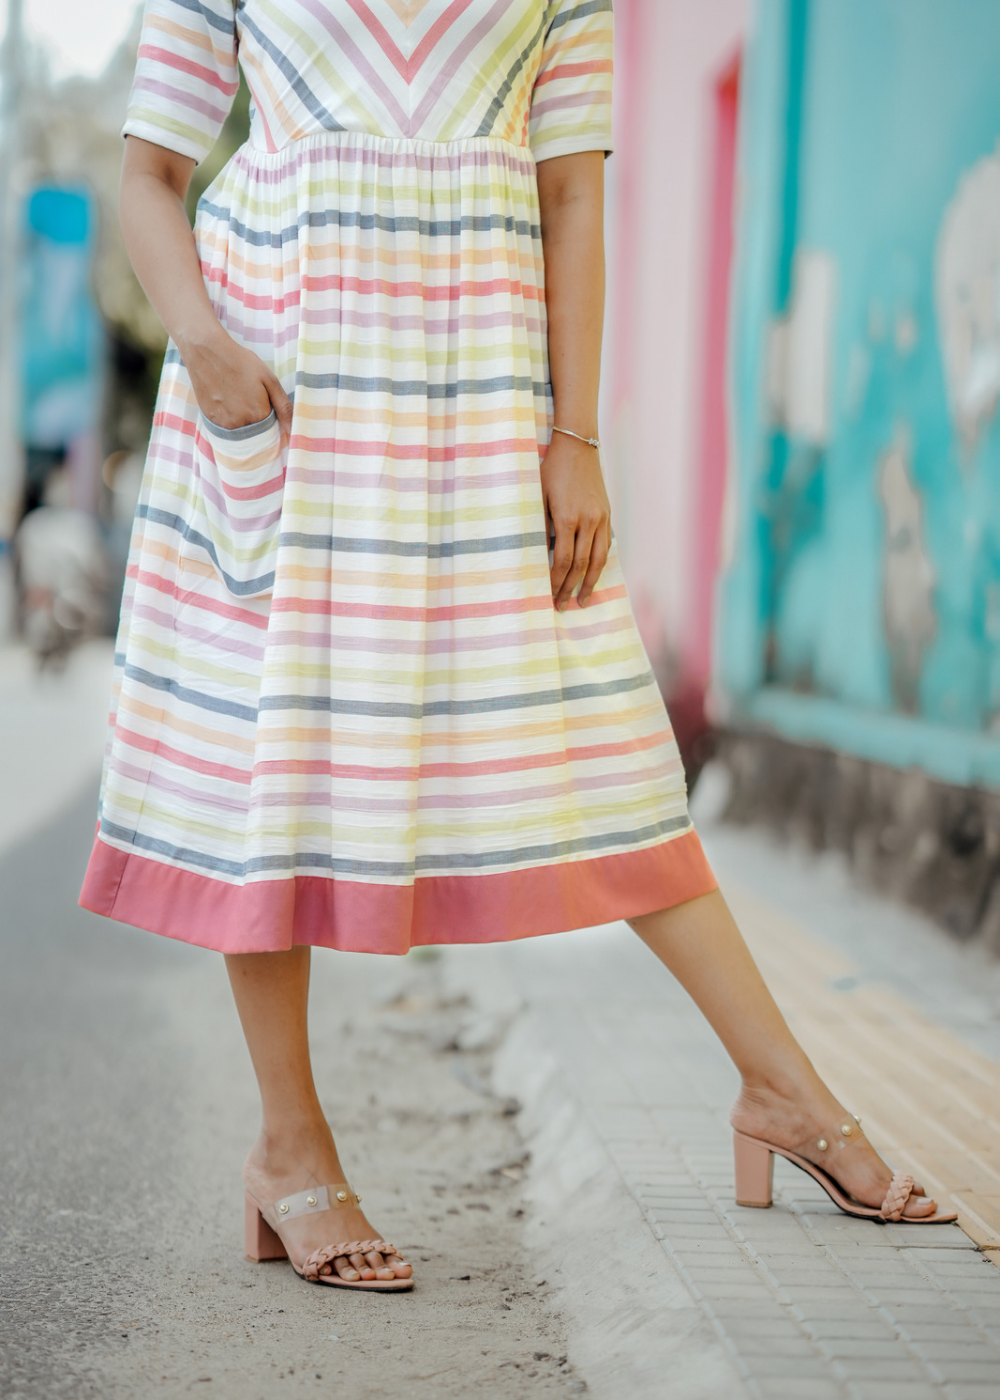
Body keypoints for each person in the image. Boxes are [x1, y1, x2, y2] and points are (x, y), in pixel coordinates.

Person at [80, 0, 954, 1292]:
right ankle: (289, 1148)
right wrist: (204, 347)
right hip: (287, 387)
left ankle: (785, 1092)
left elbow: (575, 196)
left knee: (605, 738)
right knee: (278, 759)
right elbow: (151, 172)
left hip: (486, 398)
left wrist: (577, 437)